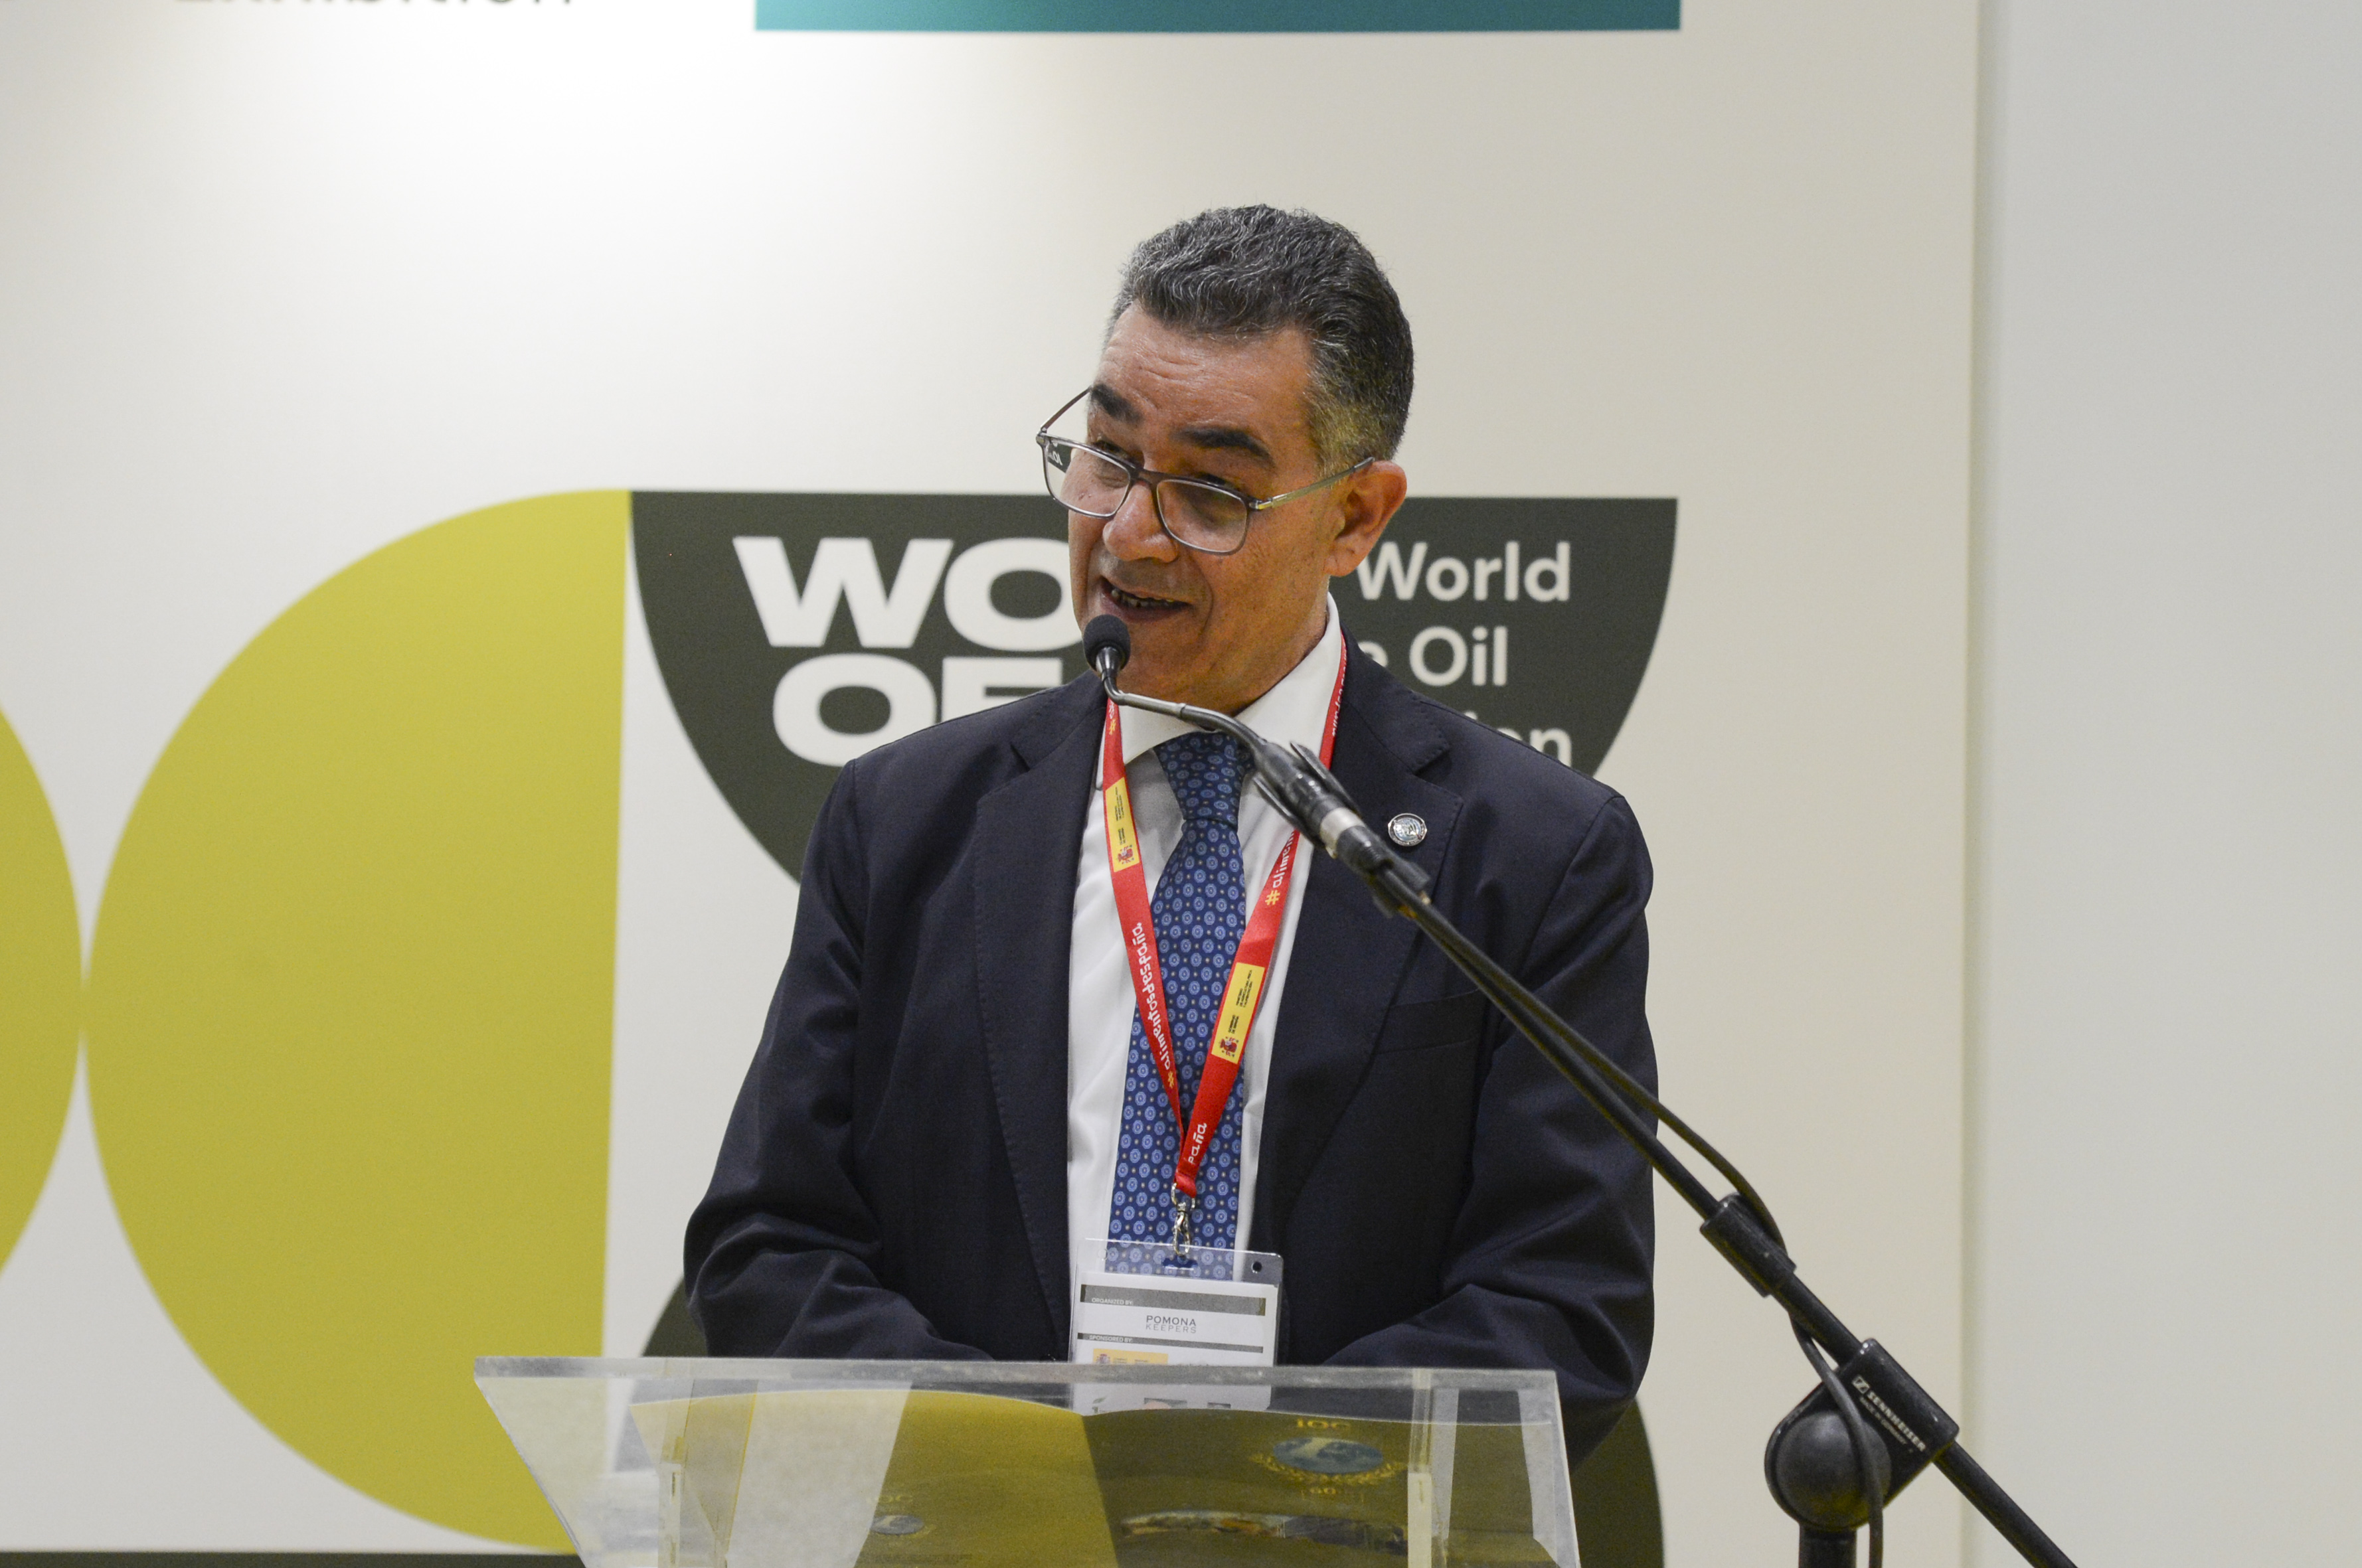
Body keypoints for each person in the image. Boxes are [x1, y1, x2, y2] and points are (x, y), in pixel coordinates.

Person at [685, 205, 1656, 1462]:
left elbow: (1560, 1307)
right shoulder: (906, 818)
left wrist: (1230, 1488)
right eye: (1107, 456)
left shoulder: (1530, 855)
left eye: (1208, 490)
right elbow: (770, 1243)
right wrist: (1022, 1471)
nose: (1129, 531)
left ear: (1355, 517)